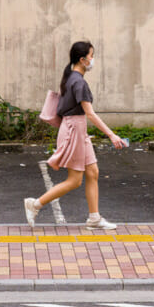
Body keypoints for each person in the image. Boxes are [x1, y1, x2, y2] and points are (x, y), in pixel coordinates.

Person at [23, 40, 128, 230]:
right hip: (74, 131)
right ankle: (35, 204)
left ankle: (94, 219)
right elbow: (90, 114)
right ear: (82, 60)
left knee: (93, 172)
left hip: (76, 129)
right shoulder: (78, 82)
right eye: (91, 56)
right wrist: (111, 135)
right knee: (75, 180)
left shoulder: (71, 78)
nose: (93, 59)